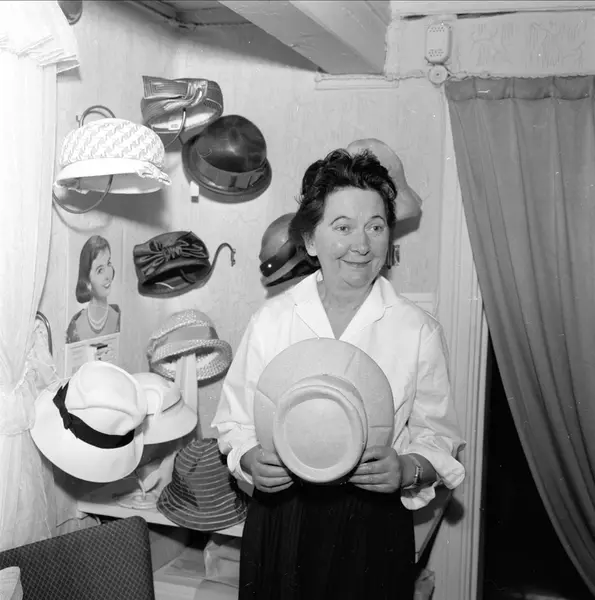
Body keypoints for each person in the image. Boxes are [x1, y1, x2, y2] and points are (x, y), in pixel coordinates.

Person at [212, 149, 466, 600]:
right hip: (282, 518)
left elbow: (439, 437)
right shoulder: (272, 321)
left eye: (375, 226)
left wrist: (407, 469)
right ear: (311, 240)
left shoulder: (416, 330)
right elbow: (234, 423)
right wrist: (250, 459)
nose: (361, 245)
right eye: (343, 227)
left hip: (372, 524)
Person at [66, 235, 121, 343]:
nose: (107, 275)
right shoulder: (75, 327)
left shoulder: (120, 317)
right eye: (100, 270)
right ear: (87, 281)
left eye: (108, 263)